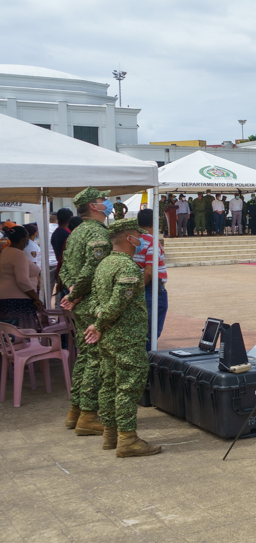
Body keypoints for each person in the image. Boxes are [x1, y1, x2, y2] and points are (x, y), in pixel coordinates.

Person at [86, 218, 162, 458]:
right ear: (130, 239)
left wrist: (99, 322)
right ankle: (128, 439)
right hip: (126, 337)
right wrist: (99, 324)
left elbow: (96, 301)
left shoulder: (104, 264)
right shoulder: (127, 267)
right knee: (128, 387)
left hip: (109, 338)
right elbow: (119, 302)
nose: (141, 240)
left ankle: (111, 435)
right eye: (138, 236)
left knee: (108, 384)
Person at [59, 187, 114, 436]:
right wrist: (77, 293)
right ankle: (89, 416)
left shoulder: (76, 232)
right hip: (92, 302)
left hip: (81, 302)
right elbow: (93, 267)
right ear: (93, 205)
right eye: (103, 200)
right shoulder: (96, 231)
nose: (108, 203)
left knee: (84, 356)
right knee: (96, 359)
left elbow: (64, 269)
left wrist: (72, 291)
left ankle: (76, 411)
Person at [133, 209, 167, 351]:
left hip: (137, 285)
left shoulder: (132, 239)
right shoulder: (151, 242)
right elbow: (149, 272)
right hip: (149, 288)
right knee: (151, 331)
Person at [0, 226, 44, 328]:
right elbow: (22, 281)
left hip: (6, 299)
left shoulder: (5, 252)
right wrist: (36, 298)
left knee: (9, 335)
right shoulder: (19, 255)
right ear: (23, 239)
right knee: (22, 334)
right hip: (18, 301)